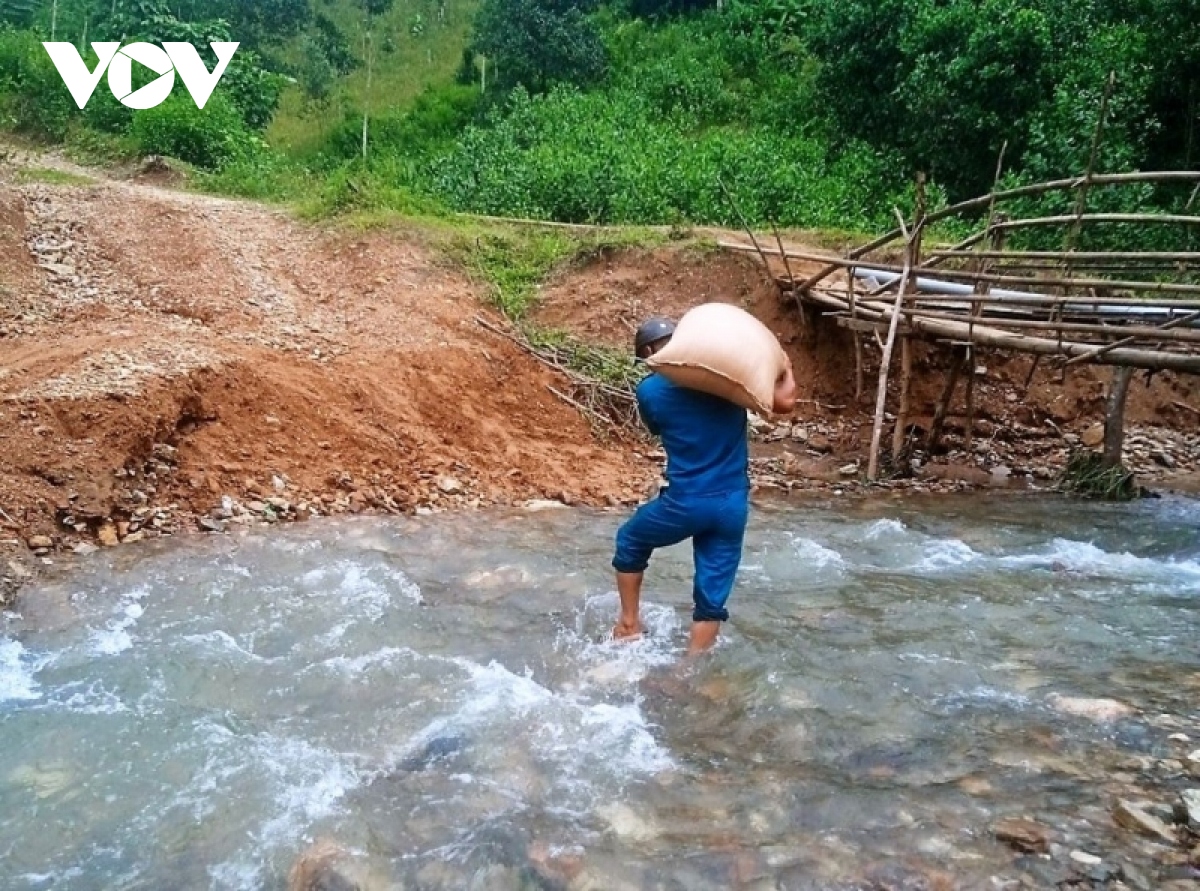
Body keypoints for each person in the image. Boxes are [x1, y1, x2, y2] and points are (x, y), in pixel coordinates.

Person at [611, 316, 797, 655]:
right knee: (711, 598)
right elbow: (784, 402)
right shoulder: (727, 381)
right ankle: (691, 669)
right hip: (732, 506)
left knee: (630, 540)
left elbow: (656, 426)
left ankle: (629, 624)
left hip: (685, 503)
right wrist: (782, 364)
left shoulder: (650, 391)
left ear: (650, 353)